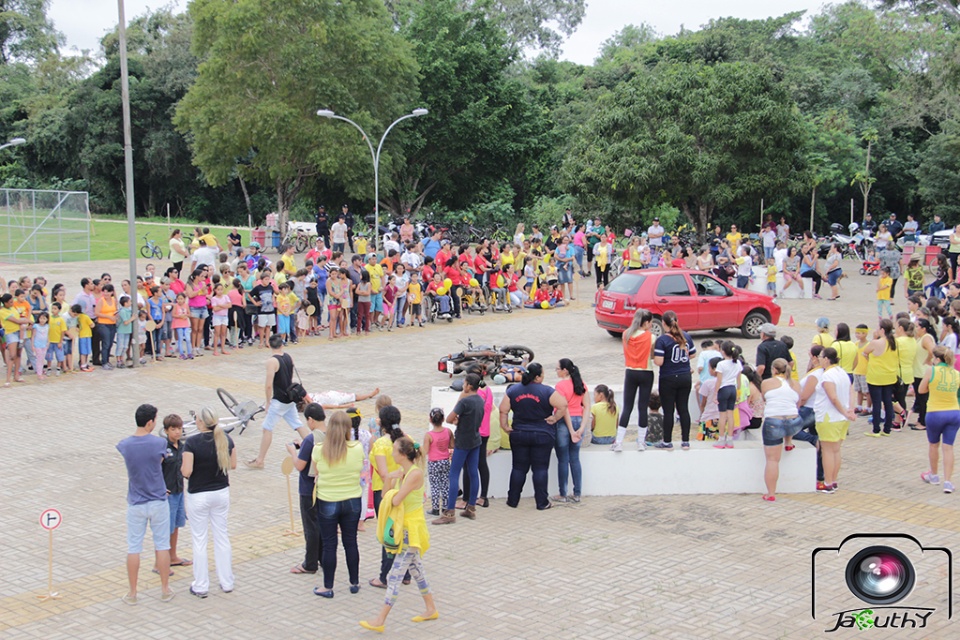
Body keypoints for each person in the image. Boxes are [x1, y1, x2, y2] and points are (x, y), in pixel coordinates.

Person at [359, 436, 439, 633]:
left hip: (411, 530)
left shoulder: (414, 474)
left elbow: (394, 501)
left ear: (403, 454)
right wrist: (390, 478)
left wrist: (393, 481)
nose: (392, 453)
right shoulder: (404, 472)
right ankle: (430, 608)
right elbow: (386, 495)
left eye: (394, 450)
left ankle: (380, 619)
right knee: (417, 570)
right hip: (403, 527)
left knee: (394, 575)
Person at [116, 404, 175, 605]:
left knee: (134, 547)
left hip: (136, 502)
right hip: (158, 500)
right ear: (150, 422)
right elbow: (161, 462)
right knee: (162, 546)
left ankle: (132, 593)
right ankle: (165, 589)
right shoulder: (159, 443)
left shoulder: (124, 445)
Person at [181, 407, 236, 597]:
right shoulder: (226, 440)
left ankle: (201, 584)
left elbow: (186, 471)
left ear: (201, 422)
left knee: (199, 539)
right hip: (221, 492)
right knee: (221, 536)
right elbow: (233, 464)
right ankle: (227, 581)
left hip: (199, 494)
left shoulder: (192, 443)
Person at [499, 363, 568, 511]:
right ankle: (542, 503)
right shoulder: (547, 391)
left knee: (518, 468)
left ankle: (512, 500)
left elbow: (503, 410)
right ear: (537, 377)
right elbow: (563, 405)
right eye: (542, 374)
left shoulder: (514, 390)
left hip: (519, 433)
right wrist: (554, 418)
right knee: (540, 469)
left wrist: (505, 426)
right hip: (542, 434)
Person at [311, 410, 364, 598]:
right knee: (351, 542)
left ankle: (328, 586)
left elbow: (316, 471)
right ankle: (354, 582)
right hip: (352, 500)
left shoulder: (319, 449)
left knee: (329, 544)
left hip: (328, 500)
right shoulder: (357, 448)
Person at [246, 334, 308, 468]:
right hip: (290, 398)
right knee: (298, 424)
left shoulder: (271, 361)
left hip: (279, 400)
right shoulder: (288, 357)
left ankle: (260, 460)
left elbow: (268, 385)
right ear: (282, 345)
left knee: (267, 428)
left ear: (269, 345)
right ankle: (314, 446)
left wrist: (268, 402)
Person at [432, 372, 485, 524]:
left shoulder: (465, 402)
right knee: (473, 473)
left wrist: (457, 420)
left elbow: (448, 418)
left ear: (469, 386)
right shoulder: (480, 400)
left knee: (454, 474)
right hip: (475, 440)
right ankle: (471, 508)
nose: (463, 386)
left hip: (463, 441)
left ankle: (449, 513)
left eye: (464, 384)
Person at [286, 403, 326, 575]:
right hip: (325, 486)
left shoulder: (311, 440)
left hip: (309, 488)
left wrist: (293, 452)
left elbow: (300, 465)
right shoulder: (331, 434)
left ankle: (310, 563)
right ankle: (324, 558)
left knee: (310, 526)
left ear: (310, 420)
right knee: (323, 525)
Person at [760, 359, 803, 501]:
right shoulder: (795, 384)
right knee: (788, 420)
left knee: (772, 460)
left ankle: (771, 493)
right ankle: (788, 442)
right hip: (794, 421)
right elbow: (797, 403)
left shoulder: (767, 383)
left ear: (773, 370)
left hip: (773, 420)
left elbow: (765, 400)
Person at [919, 346, 960, 494]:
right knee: (948, 447)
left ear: (937, 359)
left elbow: (921, 390)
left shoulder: (932, 370)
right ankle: (948, 482)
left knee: (933, 445)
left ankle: (934, 475)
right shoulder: (956, 373)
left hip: (935, 412)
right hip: (954, 412)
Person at [614, 309, 655, 451]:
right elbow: (653, 356)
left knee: (627, 407)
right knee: (642, 407)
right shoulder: (651, 337)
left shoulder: (626, 334)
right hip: (646, 372)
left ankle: (619, 441)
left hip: (630, 371)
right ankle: (641, 442)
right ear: (647, 322)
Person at [815, 348, 856, 493]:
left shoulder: (828, 376)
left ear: (826, 359)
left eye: (820, 357)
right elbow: (851, 391)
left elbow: (833, 398)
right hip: (841, 418)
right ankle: (834, 480)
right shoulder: (842, 372)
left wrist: (846, 411)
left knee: (827, 451)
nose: (819, 359)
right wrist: (850, 410)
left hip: (829, 417)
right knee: (836, 450)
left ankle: (828, 482)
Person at [653, 311, 695, 449]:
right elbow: (692, 354)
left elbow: (659, 361)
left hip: (668, 378)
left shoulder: (663, 340)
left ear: (664, 324)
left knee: (668, 410)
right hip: (685, 376)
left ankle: (667, 441)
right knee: (683, 408)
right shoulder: (686, 336)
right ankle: (685, 441)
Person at [159, 415, 191, 571]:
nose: (177, 432)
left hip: (179, 491)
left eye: (179, 428)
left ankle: (172, 556)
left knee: (176, 525)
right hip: (167, 494)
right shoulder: (163, 448)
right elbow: (155, 470)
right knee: (166, 528)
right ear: (166, 431)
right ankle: (159, 563)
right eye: (173, 429)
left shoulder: (184, 446)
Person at [554, 358, 587, 502]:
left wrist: (571, 429)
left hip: (564, 423)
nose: (556, 371)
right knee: (575, 458)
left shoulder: (560, 386)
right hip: (579, 420)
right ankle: (577, 493)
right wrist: (581, 427)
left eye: (557, 368)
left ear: (564, 370)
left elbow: (563, 408)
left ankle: (563, 493)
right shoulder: (580, 383)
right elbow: (587, 406)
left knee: (563, 459)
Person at [863, 319, 900, 437]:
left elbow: (865, 352)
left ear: (882, 330)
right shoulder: (895, 341)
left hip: (876, 376)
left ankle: (876, 429)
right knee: (888, 401)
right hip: (890, 376)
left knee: (877, 403)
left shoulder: (876, 343)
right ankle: (887, 428)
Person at [713, 341, 742, 448]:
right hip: (733, 389)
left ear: (723, 351)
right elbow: (738, 380)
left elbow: (719, 381)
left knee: (722, 415)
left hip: (723, 389)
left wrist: (715, 393)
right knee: (730, 415)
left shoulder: (721, 364)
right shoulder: (738, 363)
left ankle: (721, 439)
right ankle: (730, 439)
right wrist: (738, 392)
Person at [423, 408, 452, 516]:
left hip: (433, 463)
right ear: (443, 419)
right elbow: (452, 445)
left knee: (434, 486)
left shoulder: (429, 435)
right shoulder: (448, 431)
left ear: (430, 420)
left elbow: (425, 451)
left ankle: (435, 508)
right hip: (445, 461)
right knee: (445, 485)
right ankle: (445, 507)